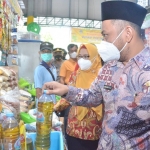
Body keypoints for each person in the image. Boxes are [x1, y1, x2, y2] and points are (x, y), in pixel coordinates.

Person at [43, 1, 150, 150]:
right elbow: (93, 97)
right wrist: (67, 90)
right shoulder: (109, 67)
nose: (104, 42)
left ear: (128, 34)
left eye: (106, 35)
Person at [54, 43, 103, 150]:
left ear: (95, 56)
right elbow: (69, 96)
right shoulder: (75, 75)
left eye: (87, 56)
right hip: (74, 126)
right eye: (80, 56)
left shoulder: (102, 76)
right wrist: (54, 108)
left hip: (94, 128)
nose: (82, 59)